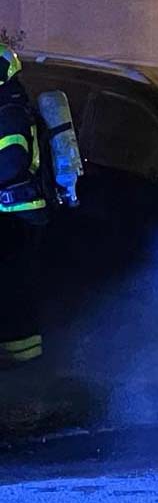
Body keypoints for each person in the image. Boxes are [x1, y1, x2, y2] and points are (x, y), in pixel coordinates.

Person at [0, 43, 47, 367]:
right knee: (14, 291)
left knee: (12, 291)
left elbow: (10, 160)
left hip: (14, 215)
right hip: (17, 213)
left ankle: (27, 375)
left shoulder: (8, 108)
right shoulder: (11, 102)